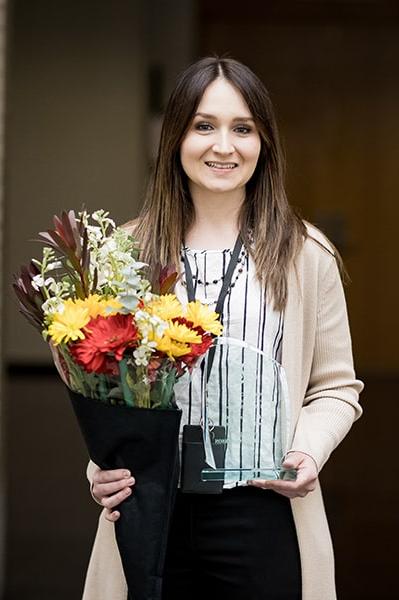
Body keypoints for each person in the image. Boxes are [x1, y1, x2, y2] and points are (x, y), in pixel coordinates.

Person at [82, 57, 363, 600]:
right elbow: (100, 382)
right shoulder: (124, 253)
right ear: (174, 138)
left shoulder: (306, 254)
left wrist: (306, 451)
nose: (223, 146)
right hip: (150, 502)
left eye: (243, 128)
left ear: (265, 143)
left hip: (264, 506)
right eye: (203, 126)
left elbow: (337, 387)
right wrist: (101, 465)